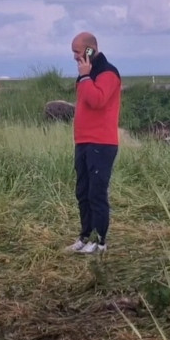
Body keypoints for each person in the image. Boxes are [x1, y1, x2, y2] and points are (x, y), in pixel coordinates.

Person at [64, 32, 122, 255]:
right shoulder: (84, 75)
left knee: (97, 193)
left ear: (90, 50)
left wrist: (87, 77)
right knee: (83, 191)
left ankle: (100, 241)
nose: (74, 57)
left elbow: (97, 100)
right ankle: (85, 235)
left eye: (77, 52)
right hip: (83, 141)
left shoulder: (108, 73)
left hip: (102, 142)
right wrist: (85, 77)